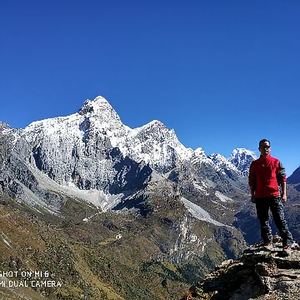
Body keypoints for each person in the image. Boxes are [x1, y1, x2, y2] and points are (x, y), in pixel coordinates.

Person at [248, 139, 293, 251]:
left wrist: (284, 194)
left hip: (274, 195)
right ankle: (267, 241)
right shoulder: (254, 164)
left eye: (267, 146)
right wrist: (252, 195)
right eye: (263, 147)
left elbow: (283, 179)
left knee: (279, 219)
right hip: (260, 196)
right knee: (263, 221)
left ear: (270, 148)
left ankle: (287, 243)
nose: (265, 148)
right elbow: (252, 180)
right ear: (259, 149)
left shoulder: (276, 162)